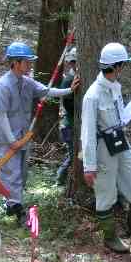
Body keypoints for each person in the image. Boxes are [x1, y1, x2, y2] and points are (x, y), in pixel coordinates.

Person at [81, 43, 131, 254]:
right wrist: (89, 166)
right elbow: (87, 132)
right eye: (122, 65)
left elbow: (119, 115)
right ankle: (110, 237)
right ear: (115, 66)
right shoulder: (92, 95)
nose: (123, 69)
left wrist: (130, 112)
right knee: (106, 193)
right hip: (102, 149)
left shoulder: (115, 87)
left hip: (119, 141)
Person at [0, 42, 79, 225]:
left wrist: (69, 90)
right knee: (12, 175)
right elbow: (0, 115)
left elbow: (47, 91)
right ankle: (19, 212)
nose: (30, 65)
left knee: (21, 175)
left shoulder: (27, 82)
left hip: (23, 138)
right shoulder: (3, 85)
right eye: (27, 62)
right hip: (8, 140)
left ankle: (9, 203)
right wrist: (11, 140)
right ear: (16, 62)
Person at [56, 47, 77, 185]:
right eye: (72, 62)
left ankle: (61, 179)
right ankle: (59, 180)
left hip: (70, 123)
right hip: (68, 125)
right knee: (73, 155)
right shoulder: (69, 80)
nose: (74, 64)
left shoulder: (75, 77)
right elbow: (68, 105)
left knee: (74, 154)